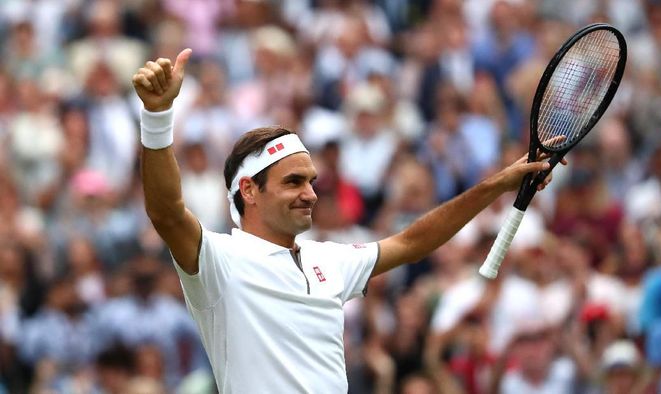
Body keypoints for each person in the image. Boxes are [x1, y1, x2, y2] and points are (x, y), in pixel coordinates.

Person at [131, 48, 557, 393]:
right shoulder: (218, 261)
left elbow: (413, 241)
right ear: (249, 192)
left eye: (312, 181)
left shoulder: (330, 260)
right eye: (294, 182)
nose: (311, 194)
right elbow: (166, 212)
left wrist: (498, 184)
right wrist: (157, 118)